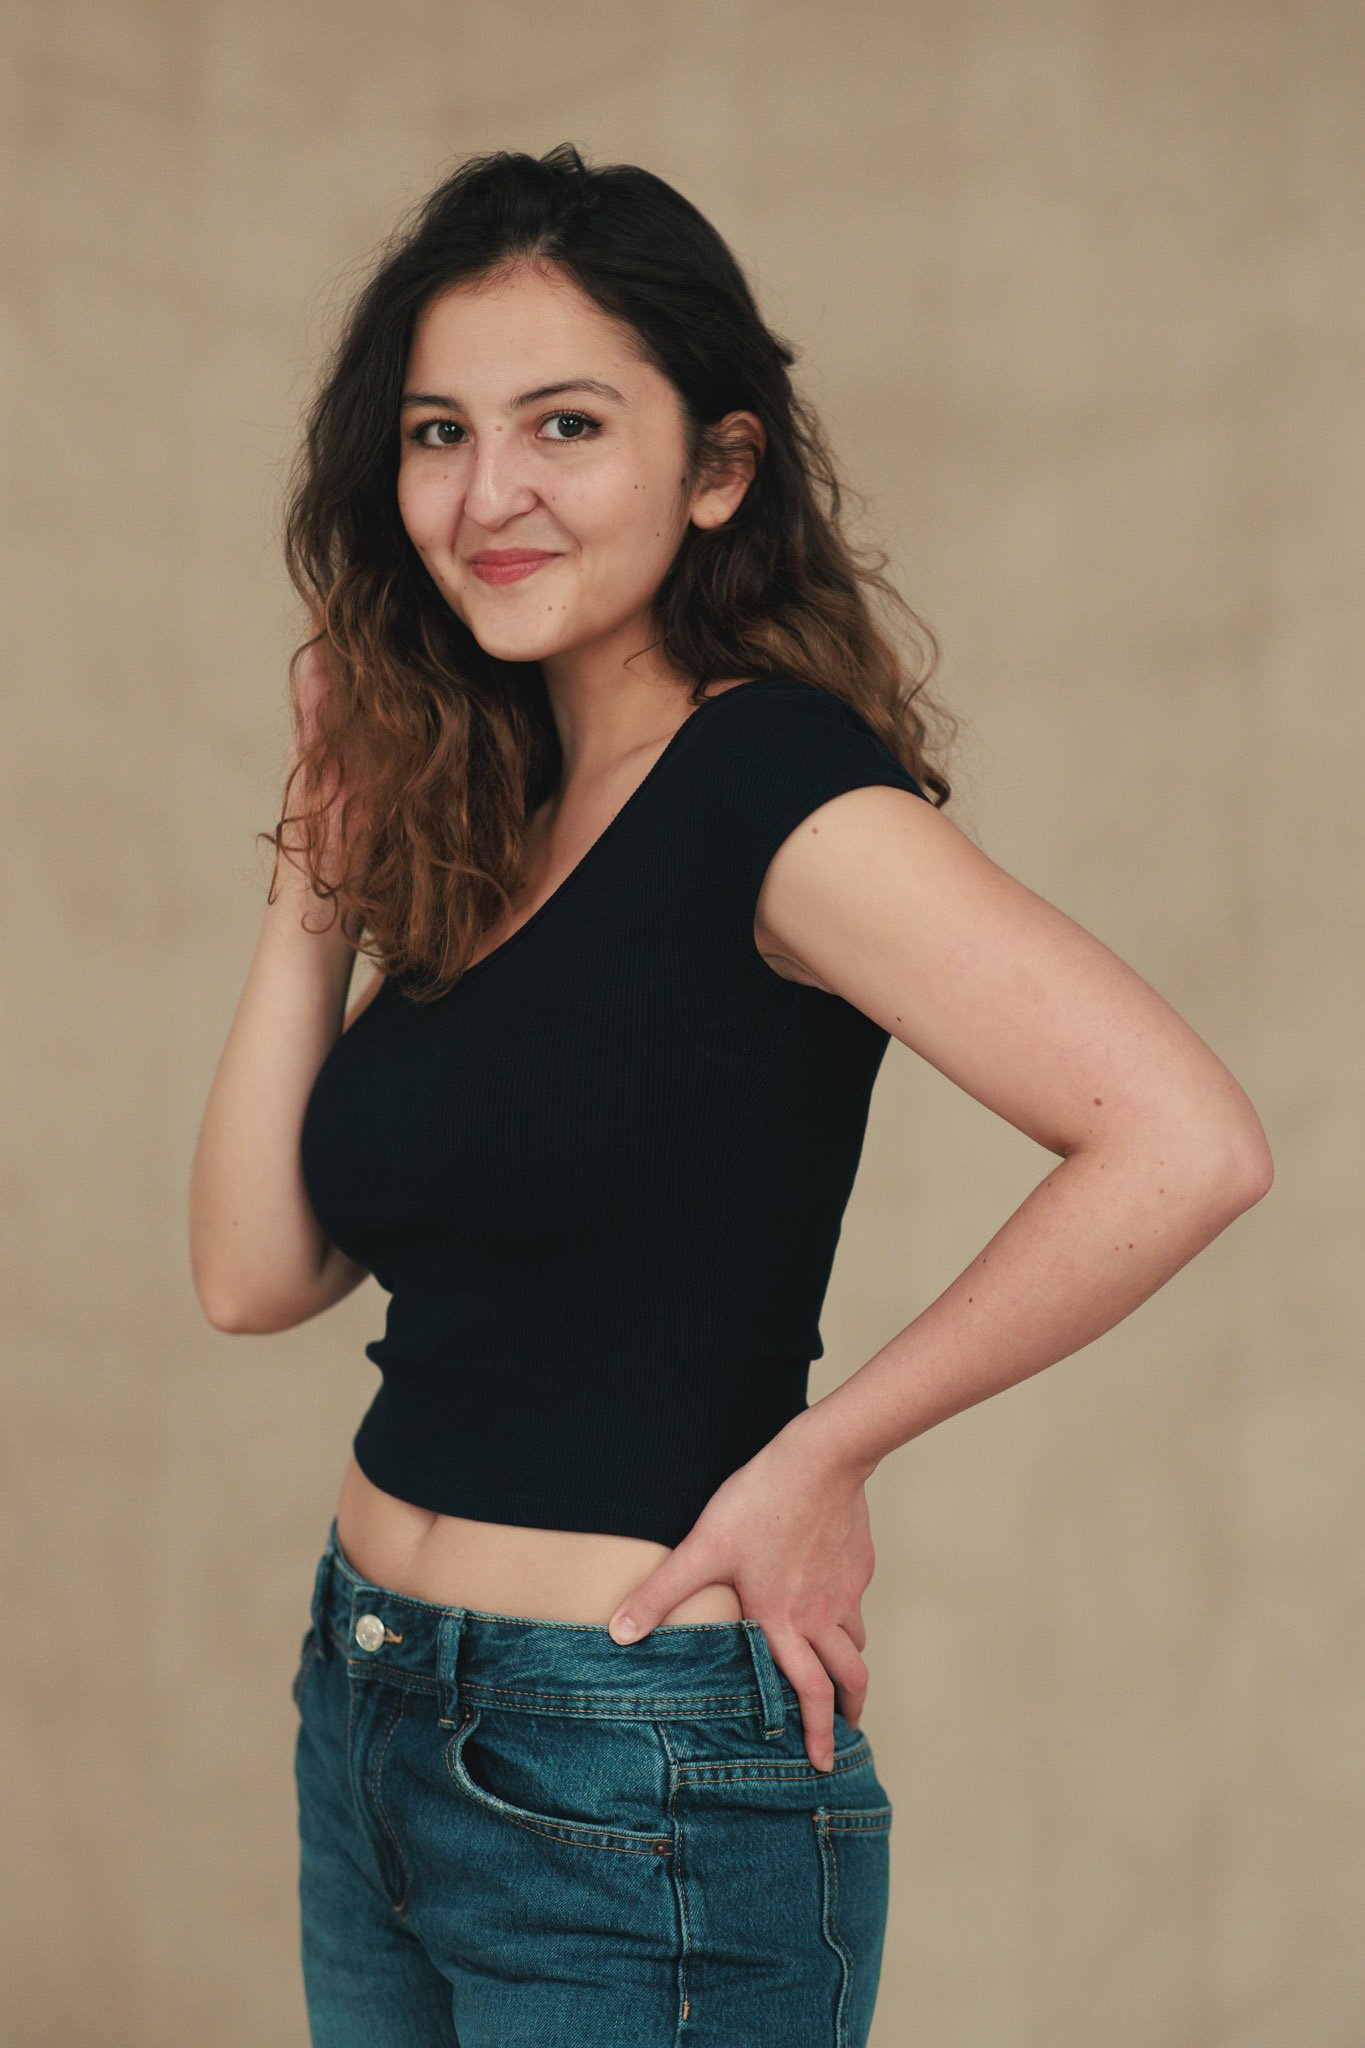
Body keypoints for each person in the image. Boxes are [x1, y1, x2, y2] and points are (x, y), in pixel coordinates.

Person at [189, 143, 1273, 2048]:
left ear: (717, 469)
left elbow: (1184, 1140)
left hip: (628, 1769)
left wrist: (826, 1456)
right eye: (439, 432)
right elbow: (253, 1276)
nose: (488, 493)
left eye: (566, 425)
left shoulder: (779, 792)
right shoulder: (498, 803)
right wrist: (313, 887)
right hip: (367, 1707)